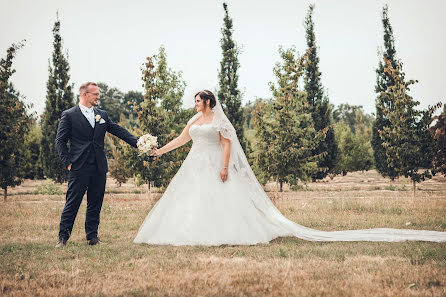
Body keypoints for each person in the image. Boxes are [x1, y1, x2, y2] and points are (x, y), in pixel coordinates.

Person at [134, 90, 446, 245]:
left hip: (215, 161)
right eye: (196, 100)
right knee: (189, 198)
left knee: (219, 197)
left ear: (209, 103)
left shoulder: (218, 121)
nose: (196, 103)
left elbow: (227, 144)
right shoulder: (194, 121)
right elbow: (181, 139)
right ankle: (189, 231)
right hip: (194, 162)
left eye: (199, 100)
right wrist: (160, 150)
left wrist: (226, 167)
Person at [55, 82, 138, 248]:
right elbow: (60, 141)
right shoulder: (69, 115)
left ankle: (92, 237)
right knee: (72, 203)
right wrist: (68, 162)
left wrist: (139, 143)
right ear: (85, 95)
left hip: (99, 166)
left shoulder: (102, 115)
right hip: (79, 167)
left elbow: (118, 131)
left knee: (95, 203)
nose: (98, 97)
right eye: (95, 94)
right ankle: (63, 238)